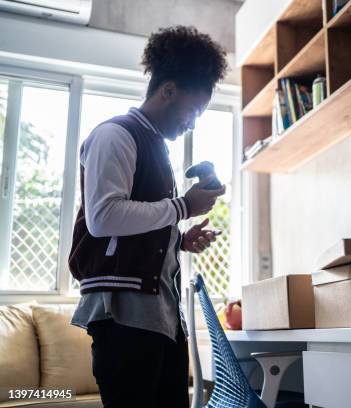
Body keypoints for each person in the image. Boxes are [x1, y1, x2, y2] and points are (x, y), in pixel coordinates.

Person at [69, 26, 228, 408]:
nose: (192, 122)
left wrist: (179, 239)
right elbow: (104, 218)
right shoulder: (115, 135)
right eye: (193, 110)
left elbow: (135, 224)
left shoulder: (155, 147)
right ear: (168, 90)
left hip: (160, 316)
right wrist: (183, 208)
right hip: (124, 315)